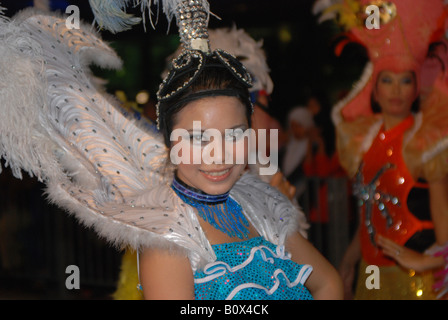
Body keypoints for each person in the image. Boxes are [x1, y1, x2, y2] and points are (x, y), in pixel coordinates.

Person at [0, 1, 343, 300]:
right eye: (197, 138)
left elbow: (329, 284)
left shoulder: (260, 202)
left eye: (234, 135)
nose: (218, 156)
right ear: (169, 143)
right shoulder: (168, 236)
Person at [315, 0, 448, 299]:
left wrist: (425, 261)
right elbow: (369, 215)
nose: (396, 90)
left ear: (416, 88)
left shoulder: (426, 142)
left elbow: (444, 224)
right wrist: (349, 261)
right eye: (387, 80)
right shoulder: (364, 139)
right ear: (374, 89)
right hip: (372, 273)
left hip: (416, 279)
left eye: (405, 81)